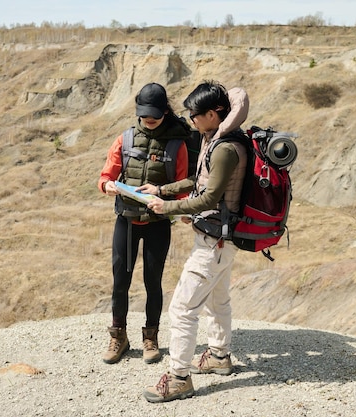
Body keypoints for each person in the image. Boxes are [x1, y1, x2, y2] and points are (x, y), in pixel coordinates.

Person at [137, 81, 250, 402]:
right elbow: (199, 181)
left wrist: (168, 207)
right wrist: (161, 190)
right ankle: (218, 355)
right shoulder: (216, 139)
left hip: (214, 243)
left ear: (214, 114)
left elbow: (211, 196)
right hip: (219, 240)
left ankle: (179, 377)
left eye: (195, 114)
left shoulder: (226, 148)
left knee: (183, 308)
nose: (190, 119)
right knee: (217, 301)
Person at [98, 82, 191, 365]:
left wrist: (162, 192)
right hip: (125, 221)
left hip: (157, 224)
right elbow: (104, 177)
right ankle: (119, 336)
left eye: (154, 115)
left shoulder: (178, 144)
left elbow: (183, 187)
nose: (148, 120)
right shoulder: (124, 140)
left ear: (165, 111)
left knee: (153, 282)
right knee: (120, 283)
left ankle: (151, 337)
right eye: (143, 115)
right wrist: (108, 186)